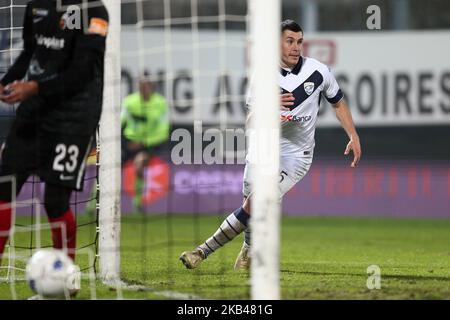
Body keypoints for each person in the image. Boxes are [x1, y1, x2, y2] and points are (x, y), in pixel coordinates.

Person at [179, 19, 361, 270]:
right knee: (250, 203)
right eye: (289, 41)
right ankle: (249, 249)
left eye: (299, 42)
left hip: (296, 155)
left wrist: (353, 134)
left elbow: (338, 102)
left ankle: (201, 251)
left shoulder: (318, 71)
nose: (296, 47)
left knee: (257, 202)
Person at [0, 0, 109, 263]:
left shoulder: (94, 11)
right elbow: (30, 52)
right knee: (3, 187)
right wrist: (5, 82)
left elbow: (82, 71)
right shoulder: (36, 6)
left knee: (55, 201)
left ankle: (66, 274)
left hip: (74, 116)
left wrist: (34, 87)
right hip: (35, 111)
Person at [121, 72, 170, 211]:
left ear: (152, 87)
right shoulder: (129, 102)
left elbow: (164, 130)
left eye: (146, 86)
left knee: (139, 163)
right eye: (141, 85)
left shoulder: (160, 104)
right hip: (128, 141)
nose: (143, 88)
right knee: (108, 168)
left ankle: (137, 203)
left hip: (147, 144)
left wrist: (144, 143)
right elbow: (120, 121)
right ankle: (92, 205)